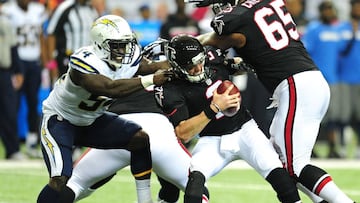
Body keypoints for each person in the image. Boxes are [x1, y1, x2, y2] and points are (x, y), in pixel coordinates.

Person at [186, 0, 356, 202]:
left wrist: (189, 42)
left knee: (296, 167)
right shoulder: (268, 4)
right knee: (284, 163)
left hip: (295, 85)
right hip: (307, 82)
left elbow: (221, 26)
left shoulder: (240, 17)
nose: (219, 9)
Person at [36, 15, 172, 203]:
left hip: (92, 119)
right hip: (61, 120)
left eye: (125, 44)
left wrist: (178, 63)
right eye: (117, 45)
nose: (123, 50)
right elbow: (111, 88)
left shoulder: (128, 57)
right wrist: (151, 79)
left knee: (139, 139)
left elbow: (147, 67)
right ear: (100, 44)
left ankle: (144, 200)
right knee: (60, 179)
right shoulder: (84, 62)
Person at [155, 34, 302, 203]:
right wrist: (214, 108)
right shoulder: (171, 88)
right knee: (193, 191)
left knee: (283, 181)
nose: (198, 68)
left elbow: (232, 65)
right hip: (211, 140)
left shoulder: (212, 57)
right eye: (190, 66)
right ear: (176, 66)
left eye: (200, 61)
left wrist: (241, 64)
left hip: (245, 130)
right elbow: (183, 134)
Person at [65, 87, 209, 203]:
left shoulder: (118, 69)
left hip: (117, 128)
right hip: (157, 130)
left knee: (73, 184)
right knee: (197, 189)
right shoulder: (168, 74)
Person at [1, 0, 48, 159]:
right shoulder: (8, 10)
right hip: (15, 63)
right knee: (11, 104)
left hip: (33, 61)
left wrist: (45, 59)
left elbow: (42, 35)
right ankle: (13, 144)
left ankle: (31, 142)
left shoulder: (38, 10)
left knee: (33, 102)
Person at [302, 0, 344, 159]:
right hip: (317, 79)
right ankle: (309, 148)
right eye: (326, 9)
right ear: (321, 12)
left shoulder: (336, 30)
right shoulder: (313, 29)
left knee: (333, 116)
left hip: (333, 79)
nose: (329, 12)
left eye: (330, 9)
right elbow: (306, 51)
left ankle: (333, 147)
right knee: (315, 116)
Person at [45, 0, 98, 79]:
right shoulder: (64, 7)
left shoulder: (92, 10)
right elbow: (51, 33)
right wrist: (52, 64)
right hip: (67, 60)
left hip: (87, 61)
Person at [0, 0, 26, 160]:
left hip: (4, 71)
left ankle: (13, 150)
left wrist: (19, 71)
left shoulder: (5, 23)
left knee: (9, 111)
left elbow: (13, 48)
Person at [338, 0, 360, 159]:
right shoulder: (342, 28)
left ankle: (358, 147)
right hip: (344, 77)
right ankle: (343, 147)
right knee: (343, 115)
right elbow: (340, 52)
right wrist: (352, 34)